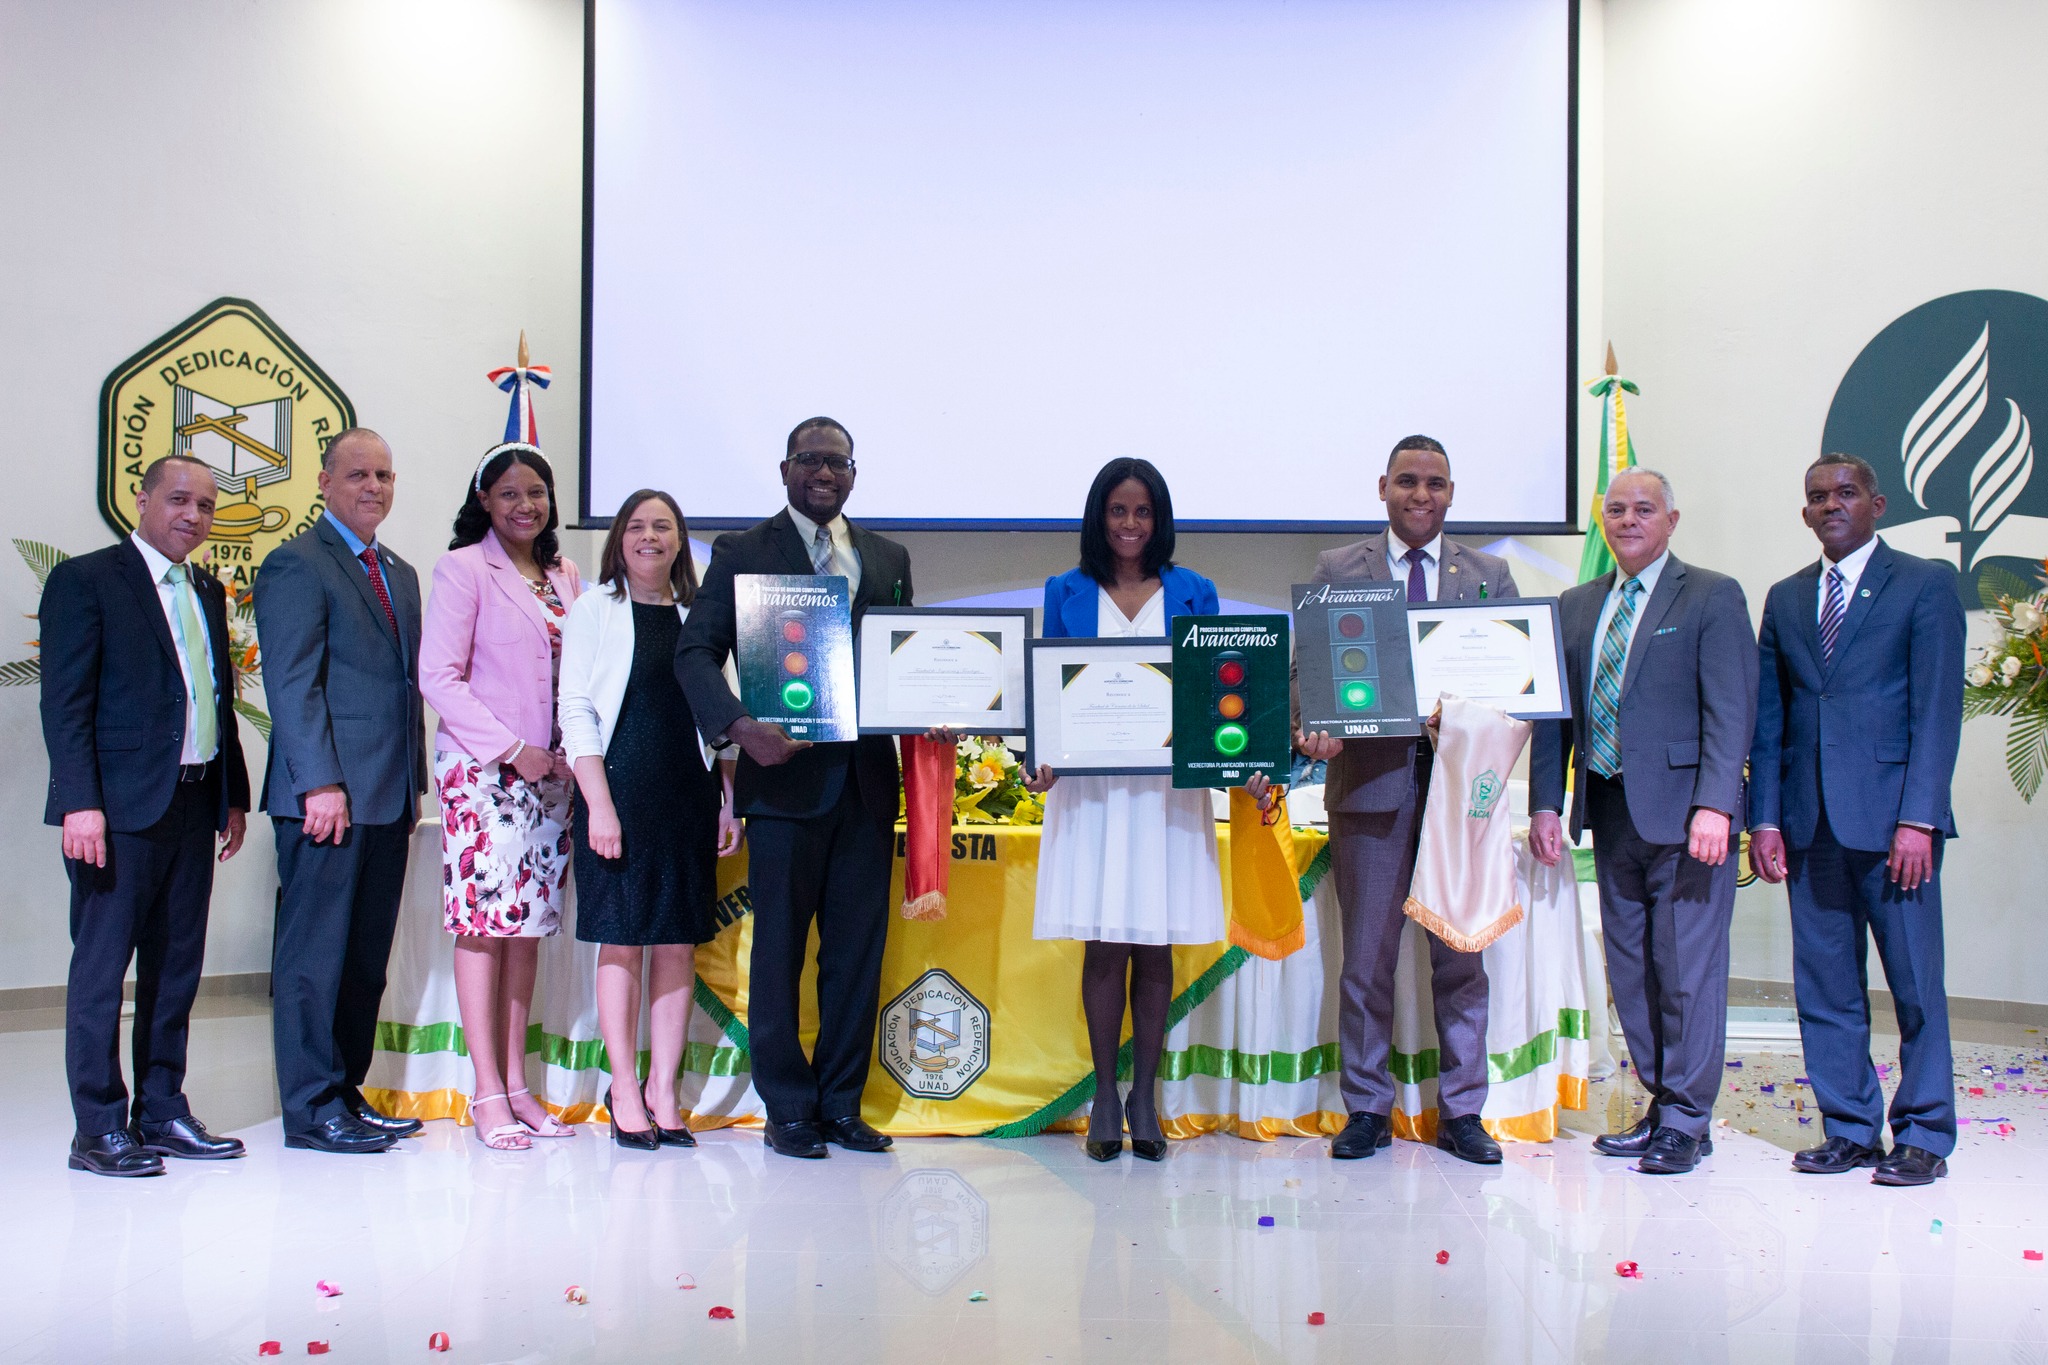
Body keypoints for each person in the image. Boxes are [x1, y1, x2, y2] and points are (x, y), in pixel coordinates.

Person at [675, 416, 919, 1160]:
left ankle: (841, 1104)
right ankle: (787, 1107)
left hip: (867, 786)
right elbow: (694, 652)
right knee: (778, 954)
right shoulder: (744, 552)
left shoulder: (888, 557)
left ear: (853, 474)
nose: (824, 472)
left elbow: (904, 663)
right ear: (785, 470)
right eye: (809, 460)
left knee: (855, 957)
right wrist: (738, 728)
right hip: (782, 787)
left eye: (837, 462)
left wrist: (935, 704)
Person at [1030, 457, 1268, 1163]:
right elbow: (1050, 690)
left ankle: (1145, 1096)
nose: (1130, 524)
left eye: (1142, 512)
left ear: (1159, 520)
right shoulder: (1064, 590)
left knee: (1155, 940)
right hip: (1093, 791)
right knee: (1105, 940)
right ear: (1098, 517)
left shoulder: (1195, 591)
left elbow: (1218, 692)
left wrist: (1240, 758)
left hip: (1168, 789)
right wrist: (1040, 759)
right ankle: (1105, 1096)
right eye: (1118, 510)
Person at [1291, 436, 1516, 1166]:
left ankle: (1463, 1112)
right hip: (1369, 787)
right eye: (1409, 481)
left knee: (1461, 959)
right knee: (1366, 961)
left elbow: (1516, 680)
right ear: (1383, 487)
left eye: (1436, 484)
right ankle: (1366, 1108)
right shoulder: (1338, 569)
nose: (1422, 495)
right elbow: (1307, 671)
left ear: (1452, 493)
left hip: (1461, 795)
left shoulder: (1488, 576)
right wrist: (1312, 725)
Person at [1529, 468, 1756, 1176]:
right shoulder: (1575, 604)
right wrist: (1545, 802)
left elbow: (1732, 711)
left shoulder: (1712, 595)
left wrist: (1717, 804)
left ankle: (1688, 1118)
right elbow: (1554, 717)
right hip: (1609, 810)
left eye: (1644, 509)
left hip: (1690, 818)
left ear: (1671, 520)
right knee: (1631, 970)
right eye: (1617, 509)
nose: (1628, 520)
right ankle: (1664, 1103)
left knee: (1686, 970)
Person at [1748, 452, 1964, 1187]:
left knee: (1916, 988)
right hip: (1808, 827)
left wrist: (1920, 820)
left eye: (1845, 493)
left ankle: (1925, 1134)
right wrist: (1764, 819)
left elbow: (1937, 712)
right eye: (1818, 496)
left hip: (1896, 829)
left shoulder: (1925, 584)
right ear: (1805, 512)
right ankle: (1848, 1128)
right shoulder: (1785, 598)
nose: (1831, 504)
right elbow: (1770, 721)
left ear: (1877, 504)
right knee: (1826, 989)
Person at [41, 454, 252, 1176]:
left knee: (176, 967)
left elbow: (215, 698)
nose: (193, 515)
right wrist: (80, 803)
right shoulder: (88, 580)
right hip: (117, 810)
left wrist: (231, 793)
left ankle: (161, 1110)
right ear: (142, 498)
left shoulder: (207, 589)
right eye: (179, 499)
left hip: (194, 800)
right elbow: (65, 703)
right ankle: (97, 1127)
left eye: (206, 506)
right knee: (103, 971)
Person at [257, 427, 429, 1154]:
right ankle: (309, 1108)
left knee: (363, 962)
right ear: (324, 483)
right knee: (313, 961)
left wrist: (415, 784)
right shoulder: (296, 563)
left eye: (384, 475)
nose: (374, 487)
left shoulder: (399, 571)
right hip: (325, 799)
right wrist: (320, 783)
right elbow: (292, 683)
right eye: (358, 474)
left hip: (388, 798)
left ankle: (345, 1092)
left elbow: (403, 688)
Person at [560, 489, 742, 1151]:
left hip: (687, 796)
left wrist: (728, 797)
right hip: (618, 796)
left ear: (680, 540)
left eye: (662, 526)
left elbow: (722, 710)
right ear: (619, 538)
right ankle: (624, 1089)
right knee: (622, 940)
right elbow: (576, 709)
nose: (649, 537)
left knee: (676, 944)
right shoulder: (593, 609)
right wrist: (599, 805)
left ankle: (664, 1089)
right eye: (636, 526)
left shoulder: (700, 615)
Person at [418, 442, 583, 1151]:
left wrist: (570, 751)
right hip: (486, 773)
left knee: (526, 928)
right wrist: (514, 749)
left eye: (536, 492)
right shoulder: (462, 568)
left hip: (553, 777)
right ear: (484, 499)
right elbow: (438, 676)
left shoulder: (565, 574)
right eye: (509, 493)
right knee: (485, 924)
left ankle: (519, 1084)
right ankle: (486, 1088)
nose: (525, 504)